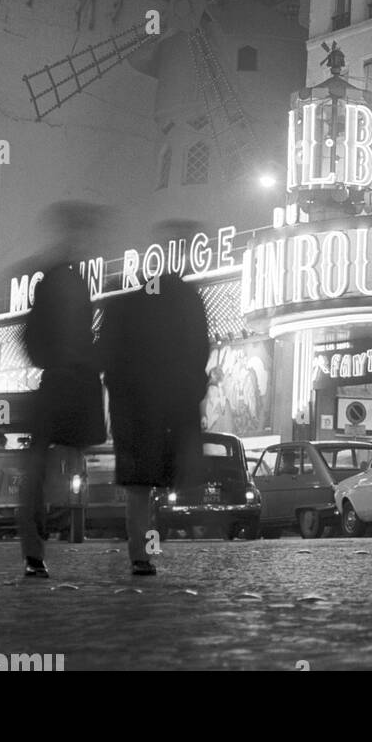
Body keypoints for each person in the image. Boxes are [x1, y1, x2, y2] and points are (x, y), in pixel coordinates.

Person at [98, 220, 211, 576]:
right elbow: (198, 352)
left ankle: (142, 555)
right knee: (156, 485)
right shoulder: (186, 298)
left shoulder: (134, 303)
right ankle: (147, 552)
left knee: (140, 488)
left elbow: (109, 357)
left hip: (136, 409)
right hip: (163, 407)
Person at [17, 202, 108, 579]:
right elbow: (36, 335)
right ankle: (35, 548)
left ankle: (35, 548)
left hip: (61, 379)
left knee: (40, 464)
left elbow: (31, 336)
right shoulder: (61, 278)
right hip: (64, 380)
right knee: (43, 465)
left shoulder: (60, 276)